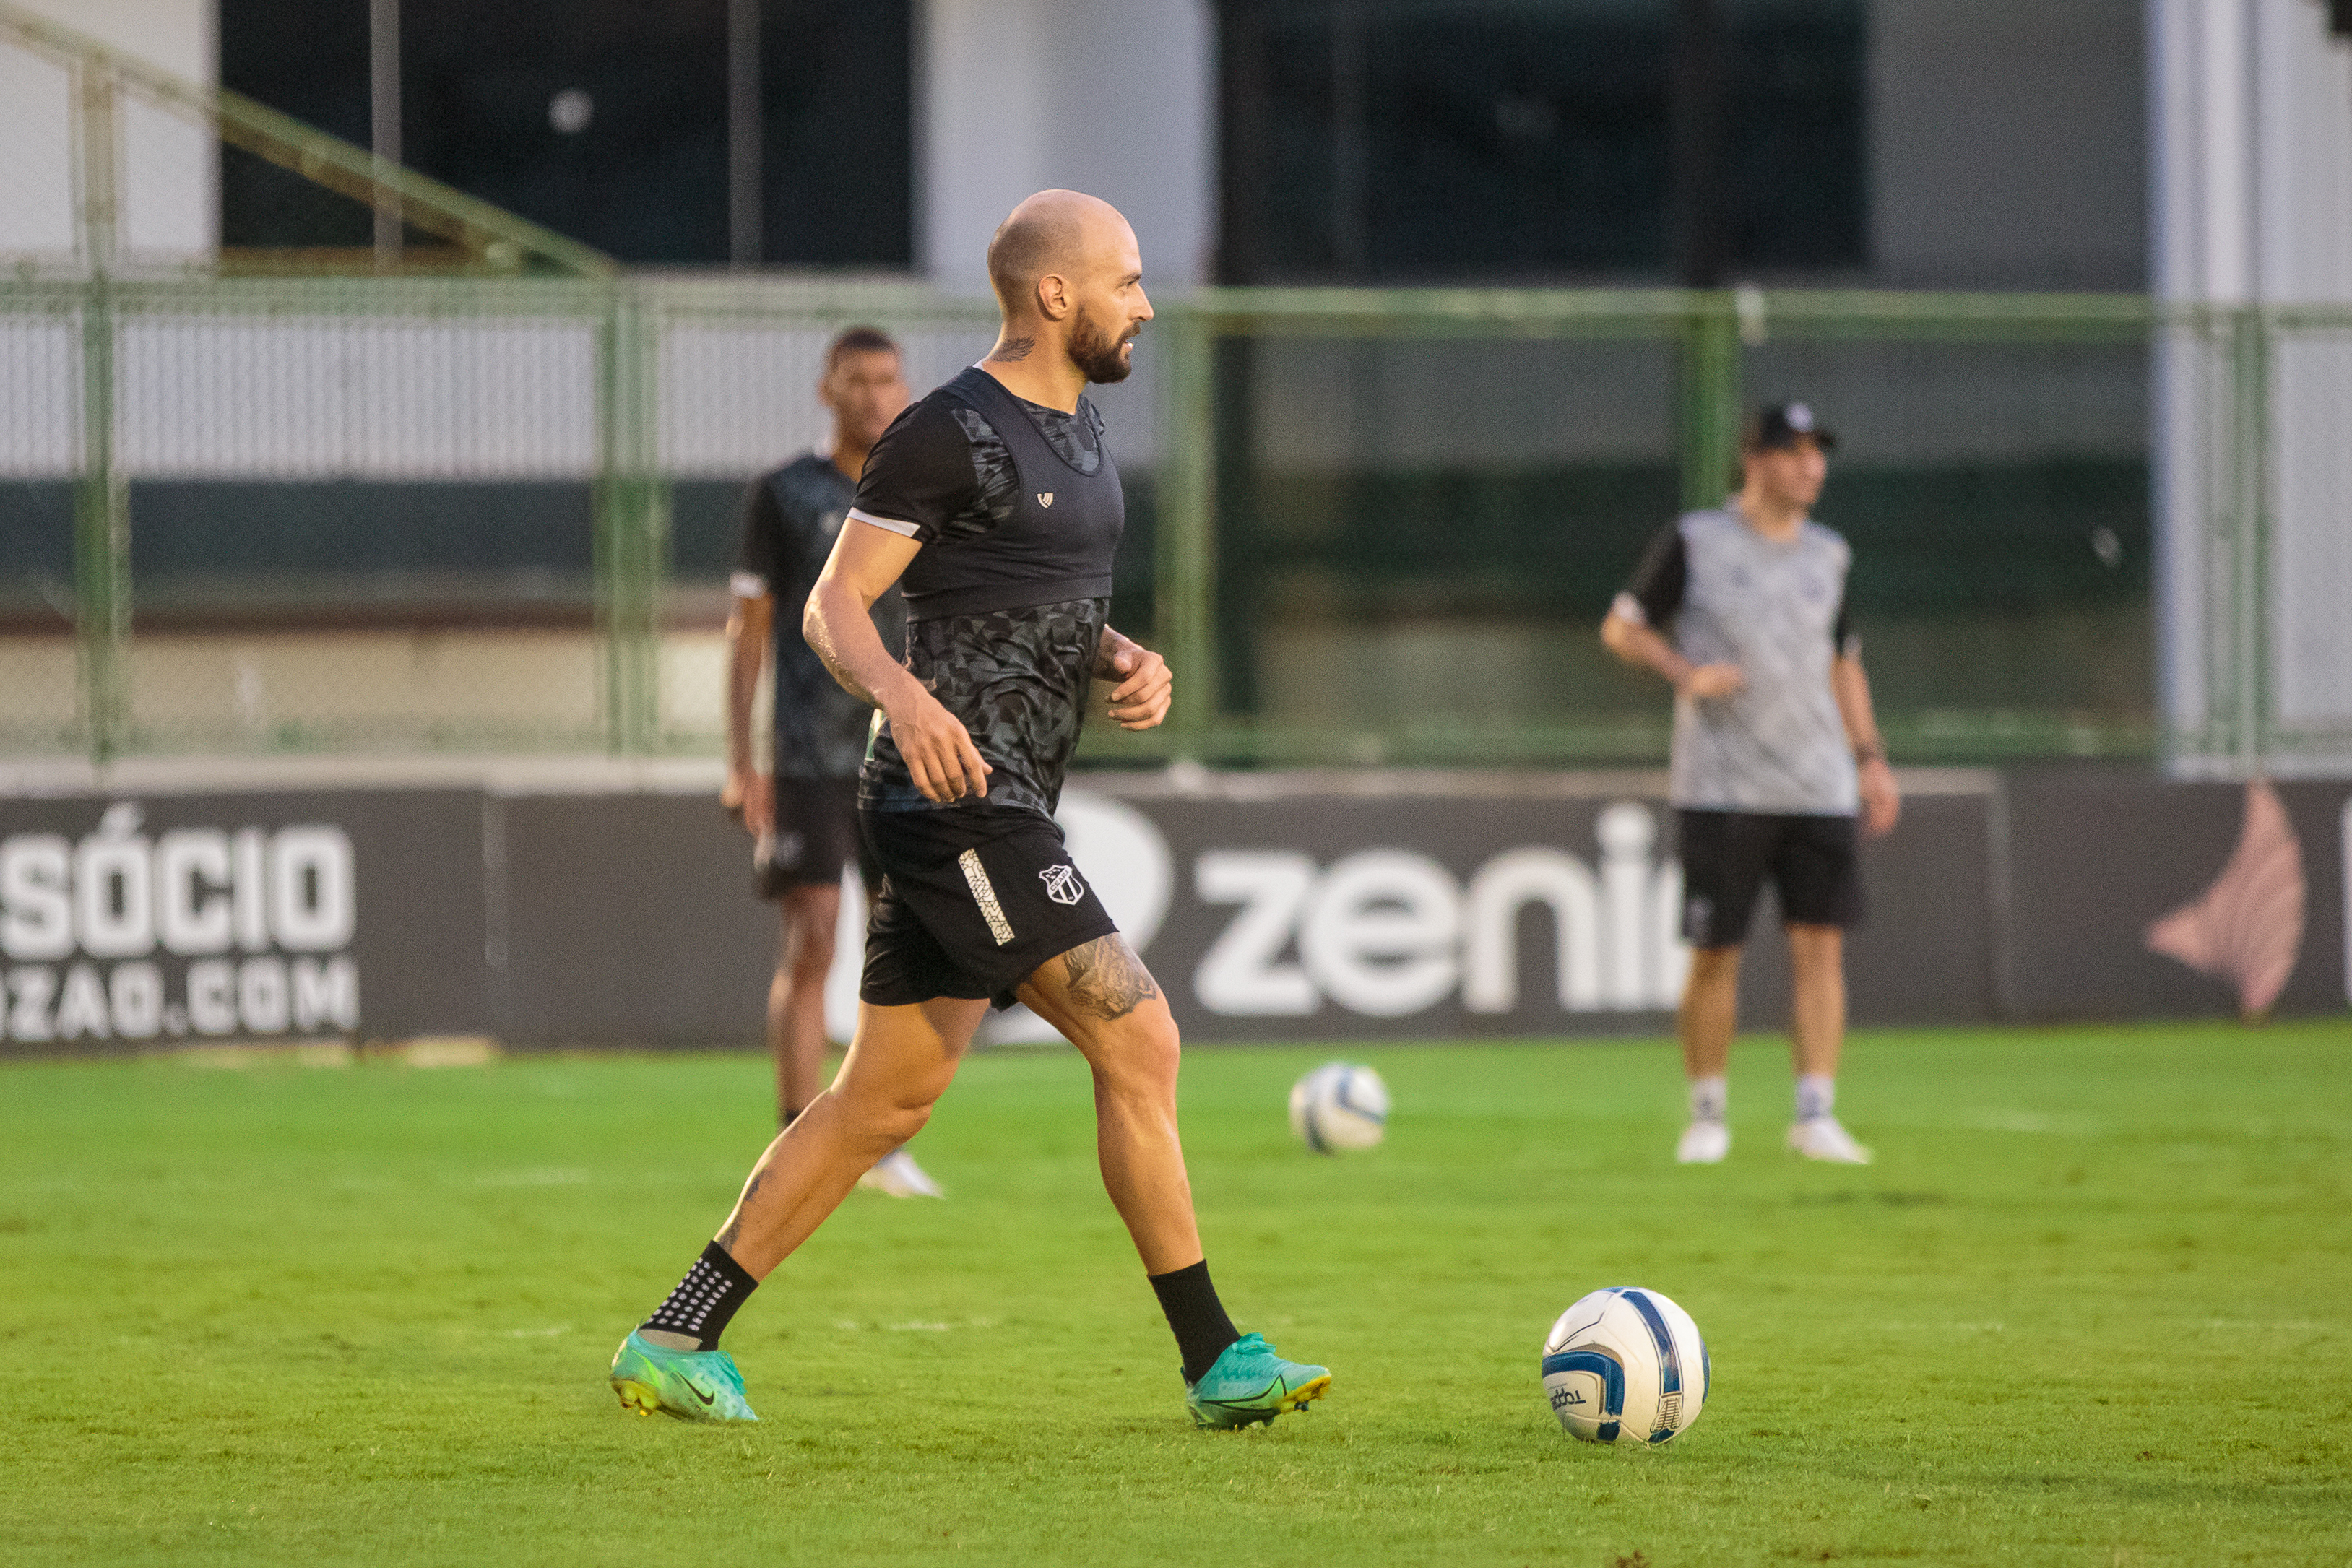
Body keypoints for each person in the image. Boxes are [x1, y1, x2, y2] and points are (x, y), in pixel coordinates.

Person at [609, 189, 1331, 1429]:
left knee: (885, 1099)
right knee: (1140, 1037)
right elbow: (834, 608)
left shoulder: (1081, 431)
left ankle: (674, 1336)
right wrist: (908, 697)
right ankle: (1217, 1357)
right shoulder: (944, 430)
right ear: (1056, 295)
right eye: (1128, 280)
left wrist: (1118, 655)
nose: (1146, 304)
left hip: (1003, 796)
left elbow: (1029, 595)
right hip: (956, 802)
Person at [1600, 400, 1901, 1166]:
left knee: (1820, 948)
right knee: (1715, 951)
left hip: (1817, 781)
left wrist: (1870, 757)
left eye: (1817, 453)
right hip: (1722, 784)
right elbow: (1622, 625)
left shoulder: (1828, 555)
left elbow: (1844, 660)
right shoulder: (1696, 541)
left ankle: (1815, 1111)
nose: (1813, 467)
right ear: (1756, 460)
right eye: (1796, 452)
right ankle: (1707, 1113)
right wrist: (1684, 672)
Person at [722, 326, 941, 1199]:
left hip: (902, 746)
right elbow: (749, 629)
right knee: (812, 934)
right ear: (828, 391)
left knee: (896, 946)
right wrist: (743, 759)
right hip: (810, 752)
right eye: (857, 381)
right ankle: (794, 1136)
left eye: (888, 379)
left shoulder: (921, 491)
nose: (875, 395)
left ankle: (878, 1139)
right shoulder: (783, 493)